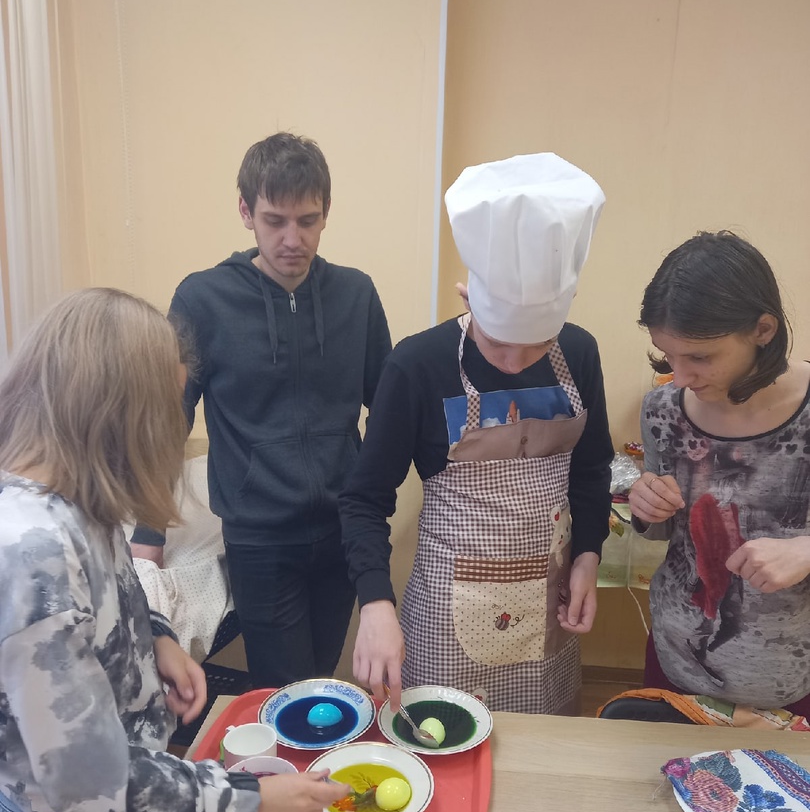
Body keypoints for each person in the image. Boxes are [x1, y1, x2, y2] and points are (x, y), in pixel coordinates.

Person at [0, 289, 350, 812]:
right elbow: (91, 781)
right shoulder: (31, 552)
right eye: (166, 412)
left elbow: (111, 589)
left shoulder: (76, 503)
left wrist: (155, 634)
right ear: (119, 414)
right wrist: (250, 803)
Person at [340, 153, 613, 714]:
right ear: (468, 296)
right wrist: (375, 603)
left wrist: (588, 555)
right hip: (448, 614)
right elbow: (364, 499)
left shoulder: (580, 353)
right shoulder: (416, 366)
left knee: (539, 745)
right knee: (443, 743)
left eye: (536, 345)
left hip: (549, 603)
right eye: (498, 342)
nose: (514, 363)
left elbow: (590, 470)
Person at [130, 133, 392, 689]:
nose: (293, 239)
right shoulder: (202, 300)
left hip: (343, 532)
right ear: (246, 212)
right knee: (284, 689)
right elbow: (170, 420)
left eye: (308, 220)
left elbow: (389, 408)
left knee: (321, 681)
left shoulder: (356, 295)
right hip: (259, 539)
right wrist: (148, 533)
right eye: (275, 221)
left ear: (326, 213)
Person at [628, 231, 810, 717]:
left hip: (790, 679)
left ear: (763, 330)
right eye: (667, 355)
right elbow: (666, 532)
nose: (680, 377)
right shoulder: (663, 410)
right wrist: (646, 507)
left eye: (700, 357)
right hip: (677, 662)